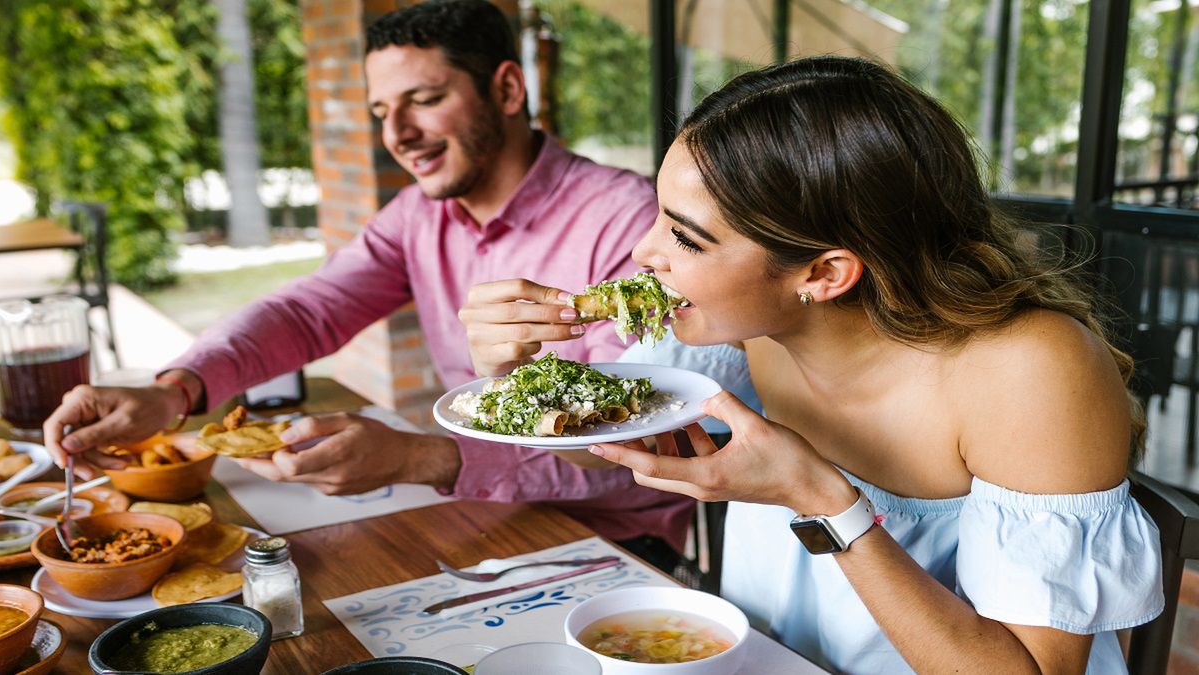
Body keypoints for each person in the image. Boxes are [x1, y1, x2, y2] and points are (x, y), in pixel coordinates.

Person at [461, 56, 1163, 672]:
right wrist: (512, 377)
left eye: (686, 237)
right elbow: (601, 448)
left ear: (825, 272)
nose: (644, 254)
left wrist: (824, 500)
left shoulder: (1032, 370)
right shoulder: (743, 325)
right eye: (659, 214)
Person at [41, 0, 694, 570]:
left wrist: (424, 459)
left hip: (617, 543)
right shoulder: (419, 215)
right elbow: (309, 310)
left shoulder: (626, 220)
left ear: (508, 89)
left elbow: (639, 450)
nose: (396, 135)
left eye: (425, 100)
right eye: (382, 110)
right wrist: (171, 392)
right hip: (482, 518)